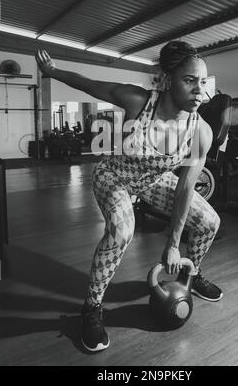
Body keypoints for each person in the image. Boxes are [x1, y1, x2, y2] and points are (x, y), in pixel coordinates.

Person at [35, 41, 222, 353]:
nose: (199, 91)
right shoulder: (138, 101)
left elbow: (186, 187)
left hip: (153, 181)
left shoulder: (201, 130)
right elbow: (89, 84)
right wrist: (52, 72)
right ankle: (92, 308)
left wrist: (174, 244)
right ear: (167, 80)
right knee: (122, 230)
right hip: (115, 176)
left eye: (202, 82)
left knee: (209, 221)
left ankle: (193, 272)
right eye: (189, 80)